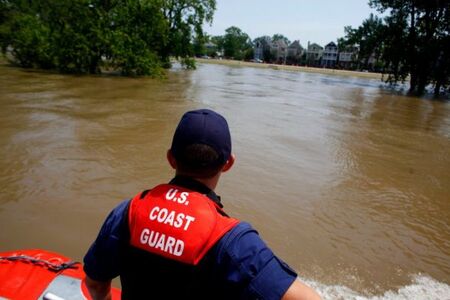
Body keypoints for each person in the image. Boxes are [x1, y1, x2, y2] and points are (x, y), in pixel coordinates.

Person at [84, 109, 321, 300]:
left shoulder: (128, 212)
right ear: (228, 163)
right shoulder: (233, 239)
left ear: (170, 158)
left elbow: (95, 284)